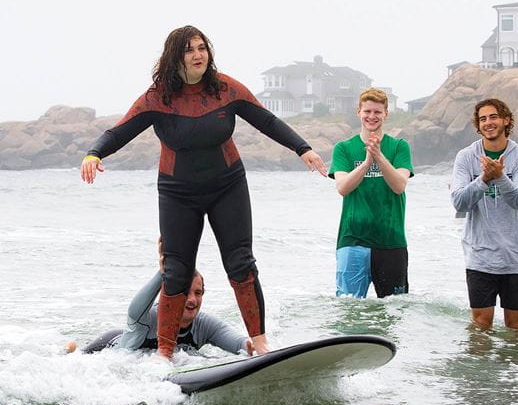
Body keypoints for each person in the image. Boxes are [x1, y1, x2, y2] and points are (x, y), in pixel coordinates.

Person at [79, 25, 326, 359]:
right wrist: (95, 154)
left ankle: (261, 343)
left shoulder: (225, 89)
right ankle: (165, 356)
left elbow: (266, 120)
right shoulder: (157, 98)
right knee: (177, 271)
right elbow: (119, 131)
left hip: (227, 186)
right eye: (189, 50)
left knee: (241, 262)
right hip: (177, 192)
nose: (198, 55)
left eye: (202, 48)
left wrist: (303, 148)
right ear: (175, 57)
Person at [450, 98, 518, 332]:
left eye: (494, 117)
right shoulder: (466, 157)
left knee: (516, 326)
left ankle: (512, 370)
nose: (488, 123)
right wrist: (485, 178)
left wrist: (500, 176)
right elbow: (459, 202)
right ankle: (479, 370)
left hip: (516, 256)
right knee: (480, 324)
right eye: (483, 119)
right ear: (478, 125)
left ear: (506, 120)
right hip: (480, 254)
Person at [328, 88, 413, 297]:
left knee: (393, 313)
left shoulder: (399, 147)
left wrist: (379, 156)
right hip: (353, 240)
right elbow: (343, 187)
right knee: (350, 310)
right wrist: (367, 162)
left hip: (391, 240)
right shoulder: (344, 148)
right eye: (367, 111)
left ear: (386, 114)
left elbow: (399, 185)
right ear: (359, 112)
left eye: (377, 112)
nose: (372, 117)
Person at [75, 268, 253, 356]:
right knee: (73, 357)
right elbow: (134, 310)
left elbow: (238, 343)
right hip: (108, 345)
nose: (192, 300)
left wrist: (251, 346)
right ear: (171, 295)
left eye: (198, 293)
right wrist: (164, 271)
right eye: (185, 292)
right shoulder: (149, 318)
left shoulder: (203, 324)